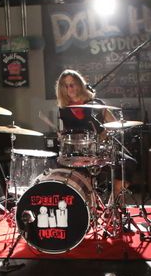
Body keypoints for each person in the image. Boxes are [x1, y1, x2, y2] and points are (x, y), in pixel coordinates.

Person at [55, 69, 133, 200]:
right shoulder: (63, 109)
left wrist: (103, 135)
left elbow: (114, 124)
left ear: (80, 84)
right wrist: (62, 137)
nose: (70, 88)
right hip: (77, 155)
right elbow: (66, 133)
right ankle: (85, 204)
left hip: (99, 151)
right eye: (66, 86)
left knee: (129, 163)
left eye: (72, 84)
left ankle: (114, 202)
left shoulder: (96, 104)